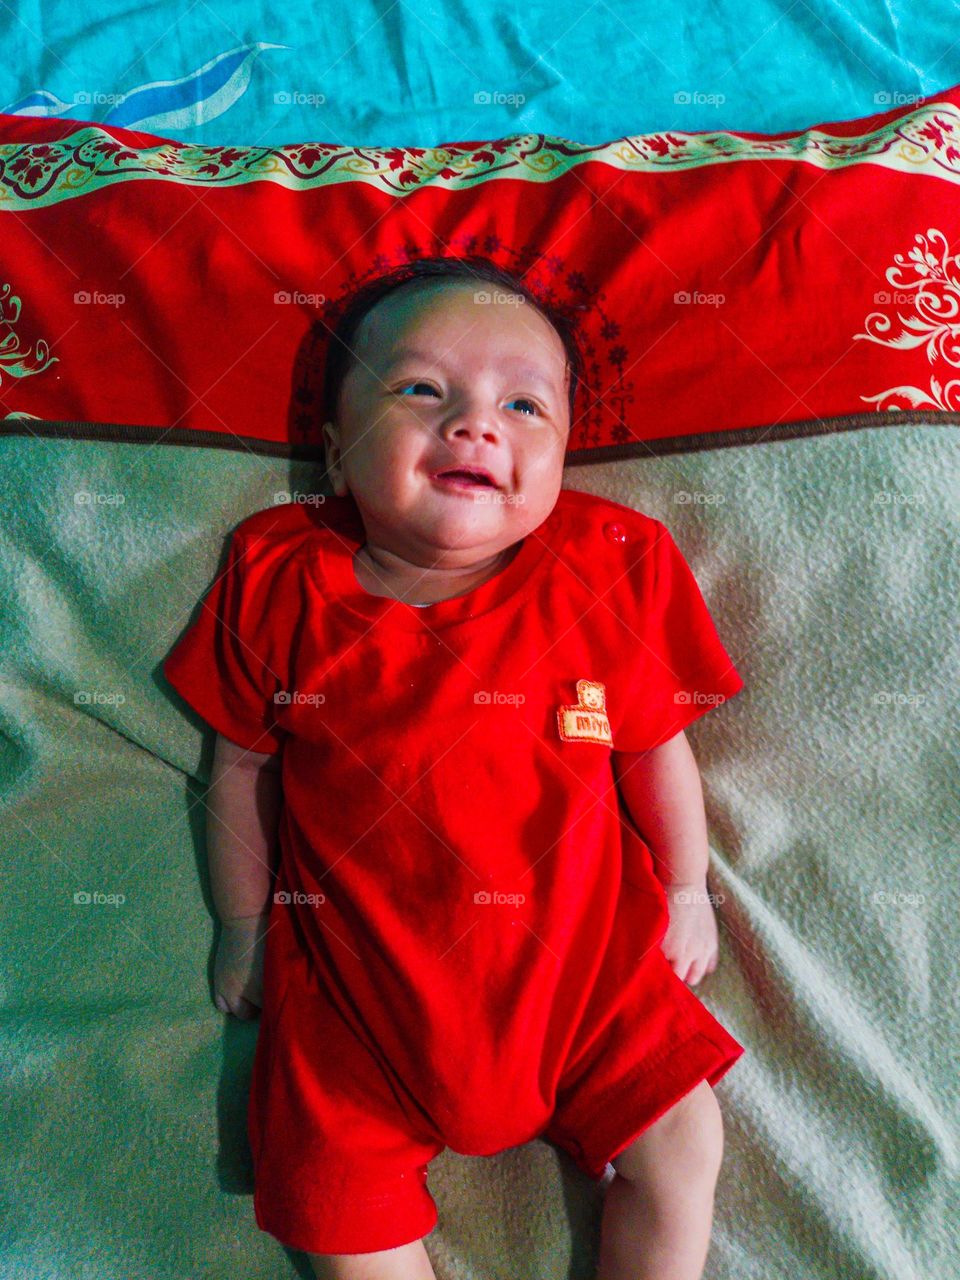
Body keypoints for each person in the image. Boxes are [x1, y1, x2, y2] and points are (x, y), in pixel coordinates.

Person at [163, 254, 747, 1280]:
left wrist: (690, 884)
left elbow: (657, 743)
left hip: (587, 982)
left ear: (565, 457)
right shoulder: (279, 577)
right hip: (358, 1010)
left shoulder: (609, 563)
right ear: (338, 452)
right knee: (338, 1217)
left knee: (686, 1140)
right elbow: (240, 767)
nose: (476, 425)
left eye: (526, 404)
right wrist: (240, 926)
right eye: (422, 389)